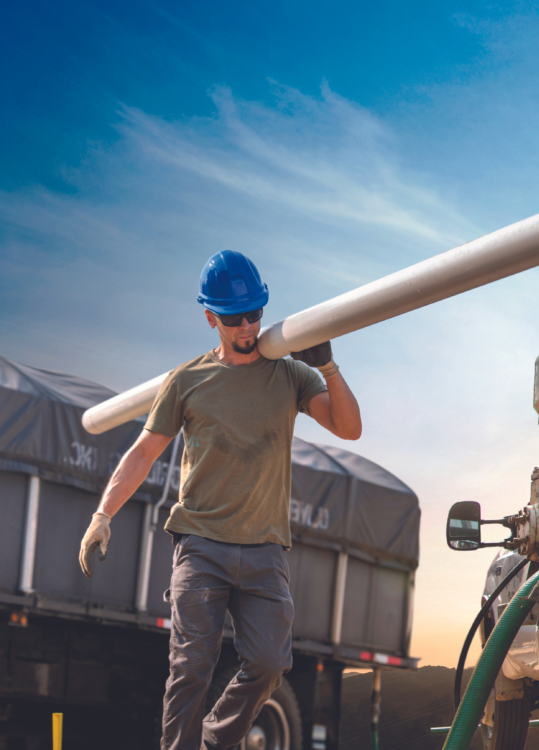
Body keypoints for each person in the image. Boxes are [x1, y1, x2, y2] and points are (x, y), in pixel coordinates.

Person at [78, 249, 362, 750]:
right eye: (235, 318)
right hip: (201, 546)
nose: (248, 327)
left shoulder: (291, 375)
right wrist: (102, 515)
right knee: (190, 668)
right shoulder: (186, 381)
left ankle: (214, 741)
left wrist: (329, 366)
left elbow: (350, 428)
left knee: (271, 663)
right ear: (211, 317)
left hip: (265, 548)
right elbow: (142, 453)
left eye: (255, 314)